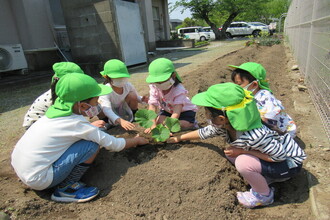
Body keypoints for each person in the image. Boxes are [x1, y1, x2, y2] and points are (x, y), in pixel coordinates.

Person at [11, 73, 149, 203]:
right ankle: (66, 189)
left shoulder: (51, 115)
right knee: (91, 145)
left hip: (23, 169)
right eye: (96, 101)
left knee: (87, 139)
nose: (98, 105)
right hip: (40, 179)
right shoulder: (77, 124)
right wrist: (136, 140)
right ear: (82, 105)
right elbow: (114, 144)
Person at [167, 83, 306, 208]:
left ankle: (264, 196)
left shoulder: (255, 135)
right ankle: (263, 178)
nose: (206, 116)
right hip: (272, 158)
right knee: (231, 155)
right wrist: (179, 138)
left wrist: (242, 152)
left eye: (208, 113)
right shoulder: (228, 124)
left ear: (221, 118)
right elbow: (205, 132)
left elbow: (279, 156)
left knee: (242, 161)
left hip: (288, 164)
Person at [22, 62, 105, 130]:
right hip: (38, 128)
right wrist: (89, 127)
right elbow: (64, 124)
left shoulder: (70, 93)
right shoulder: (58, 99)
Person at [229, 62, 297, 137]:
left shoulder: (265, 96)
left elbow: (269, 117)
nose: (236, 88)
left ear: (254, 84)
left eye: (239, 84)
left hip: (283, 132)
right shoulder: (247, 95)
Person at [145, 58, 198, 133]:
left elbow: (176, 112)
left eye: (163, 81)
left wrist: (168, 128)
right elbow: (152, 106)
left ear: (173, 76)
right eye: (157, 82)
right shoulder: (154, 86)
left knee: (181, 125)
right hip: (167, 110)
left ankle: (192, 124)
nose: (160, 84)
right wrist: (152, 125)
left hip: (184, 111)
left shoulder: (178, 90)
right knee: (159, 122)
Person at [99, 59, 148, 130]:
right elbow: (107, 109)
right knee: (98, 105)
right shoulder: (106, 90)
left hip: (123, 108)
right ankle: (106, 122)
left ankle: (134, 115)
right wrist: (120, 121)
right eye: (117, 78)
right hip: (109, 111)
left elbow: (136, 97)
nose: (121, 79)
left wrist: (142, 99)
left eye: (122, 77)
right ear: (107, 77)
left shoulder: (128, 85)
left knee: (132, 95)